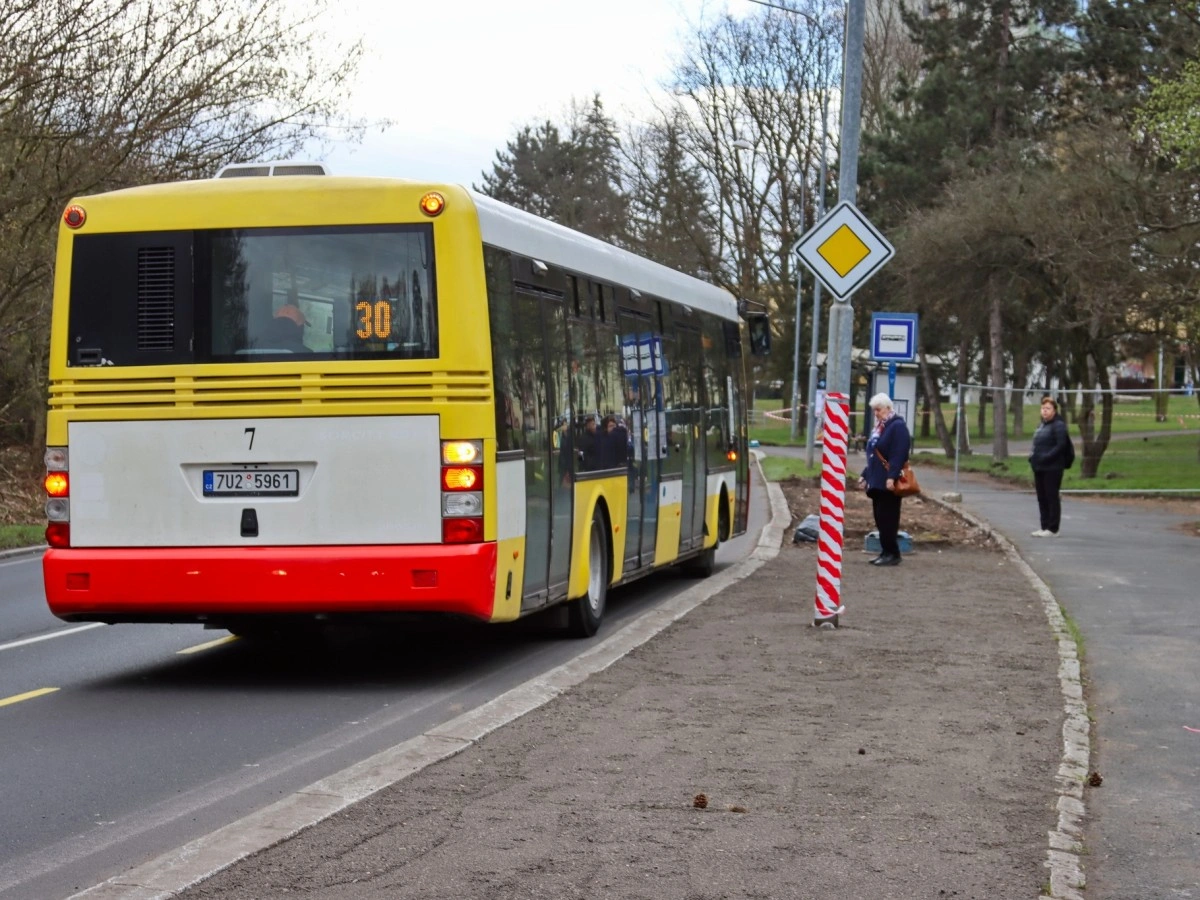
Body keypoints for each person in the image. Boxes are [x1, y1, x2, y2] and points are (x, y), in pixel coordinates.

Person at [858, 393, 911, 566]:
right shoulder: (881, 428)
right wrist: (866, 474)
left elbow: (898, 454)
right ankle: (885, 551)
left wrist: (892, 477)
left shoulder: (897, 427)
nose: (876, 414)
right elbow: (875, 456)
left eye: (878, 410)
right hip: (877, 481)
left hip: (888, 482)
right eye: (874, 410)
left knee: (888, 518)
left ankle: (892, 553)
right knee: (880, 518)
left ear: (888, 408)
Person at [1028, 396, 1072, 536]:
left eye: (1048, 408)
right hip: (1039, 466)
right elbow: (1036, 444)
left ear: (1054, 410)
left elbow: (1061, 445)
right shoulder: (1041, 425)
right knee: (1041, 497)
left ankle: (1053, 528)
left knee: (1051, 496)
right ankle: (1044, 526)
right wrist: (1032, 457)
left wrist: (1047, 457)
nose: (1045, 411)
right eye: (1043, 408)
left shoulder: (1058, 425)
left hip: (1053, 467)